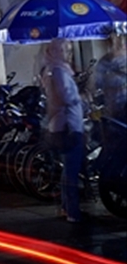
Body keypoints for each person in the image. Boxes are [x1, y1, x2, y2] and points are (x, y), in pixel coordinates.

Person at [41, 37, 85, 223]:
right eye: (65, 50)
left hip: (61, 124)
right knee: (71, 170)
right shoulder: (58, 71)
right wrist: (82, 98)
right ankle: (72, 212)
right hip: (68, 125)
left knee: (68, 170)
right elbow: (66, 96)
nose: (68, 54)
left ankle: (66, 208)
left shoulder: (53, 69)